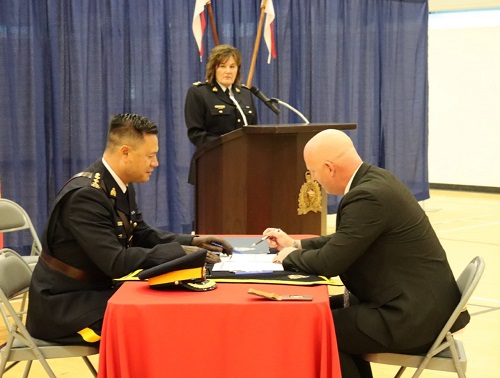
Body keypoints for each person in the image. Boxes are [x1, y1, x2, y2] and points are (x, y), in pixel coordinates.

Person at [262, 129, 469, 378]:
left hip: (411, 318)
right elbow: (346, 240)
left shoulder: (367, 196)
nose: (314, 180)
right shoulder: (375, 180)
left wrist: (286, 257)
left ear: (329, 168)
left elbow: (330, 263)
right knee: (310, 312)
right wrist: (296, 245)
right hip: (416, 305)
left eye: (313, 173)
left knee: (317, 328)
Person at [26, 113, 233, 345]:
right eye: (150, 156)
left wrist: (193, 241)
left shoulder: (117, 183)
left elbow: (141, 233)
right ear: (125, 152)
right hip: (66, 307)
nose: (155, 163)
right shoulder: (86, 196)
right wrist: (177, 252)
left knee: (171, 309)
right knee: (163, 322)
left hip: (95, 292)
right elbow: (115, 262)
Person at [184, 44, 258, 183]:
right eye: (222, 66)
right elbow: (196, 134)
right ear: (214, 69)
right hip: (212, 165)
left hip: (243, 166)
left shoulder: (245, 93)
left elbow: (253, 129)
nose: (228, 71)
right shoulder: (199, 93)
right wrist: (228, 147)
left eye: (232, 66)